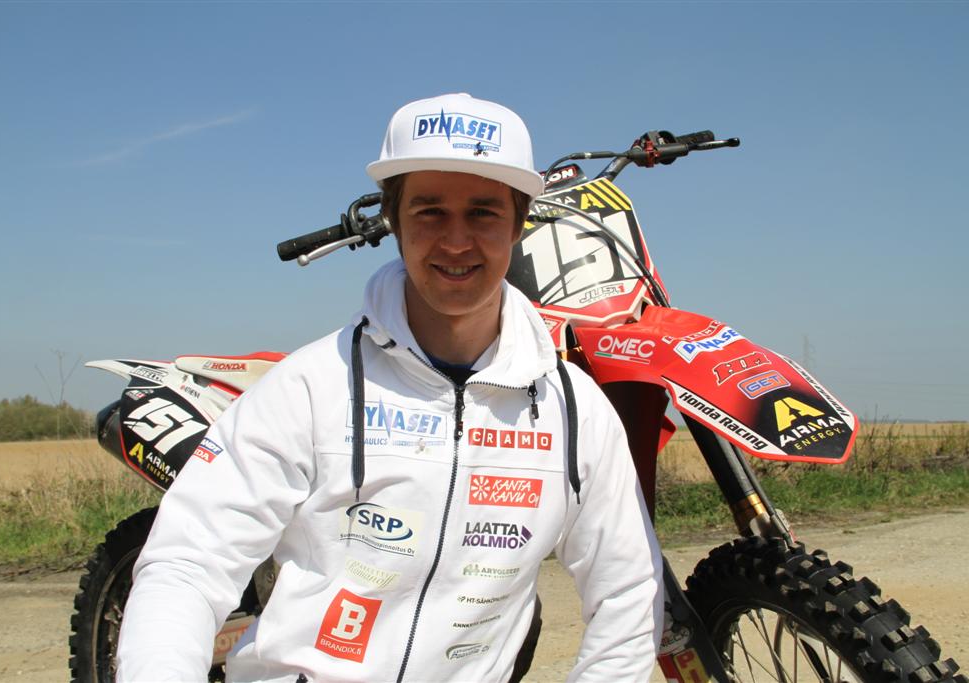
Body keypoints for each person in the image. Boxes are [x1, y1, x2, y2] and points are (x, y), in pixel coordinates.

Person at [116, 93, 664, 682]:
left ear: (519, 222)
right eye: (430, 211)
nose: (456, 242)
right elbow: (187, 565)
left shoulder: (574, 410)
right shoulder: (309, 386)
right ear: (393, 219)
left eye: (483, 212)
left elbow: (627, 594)